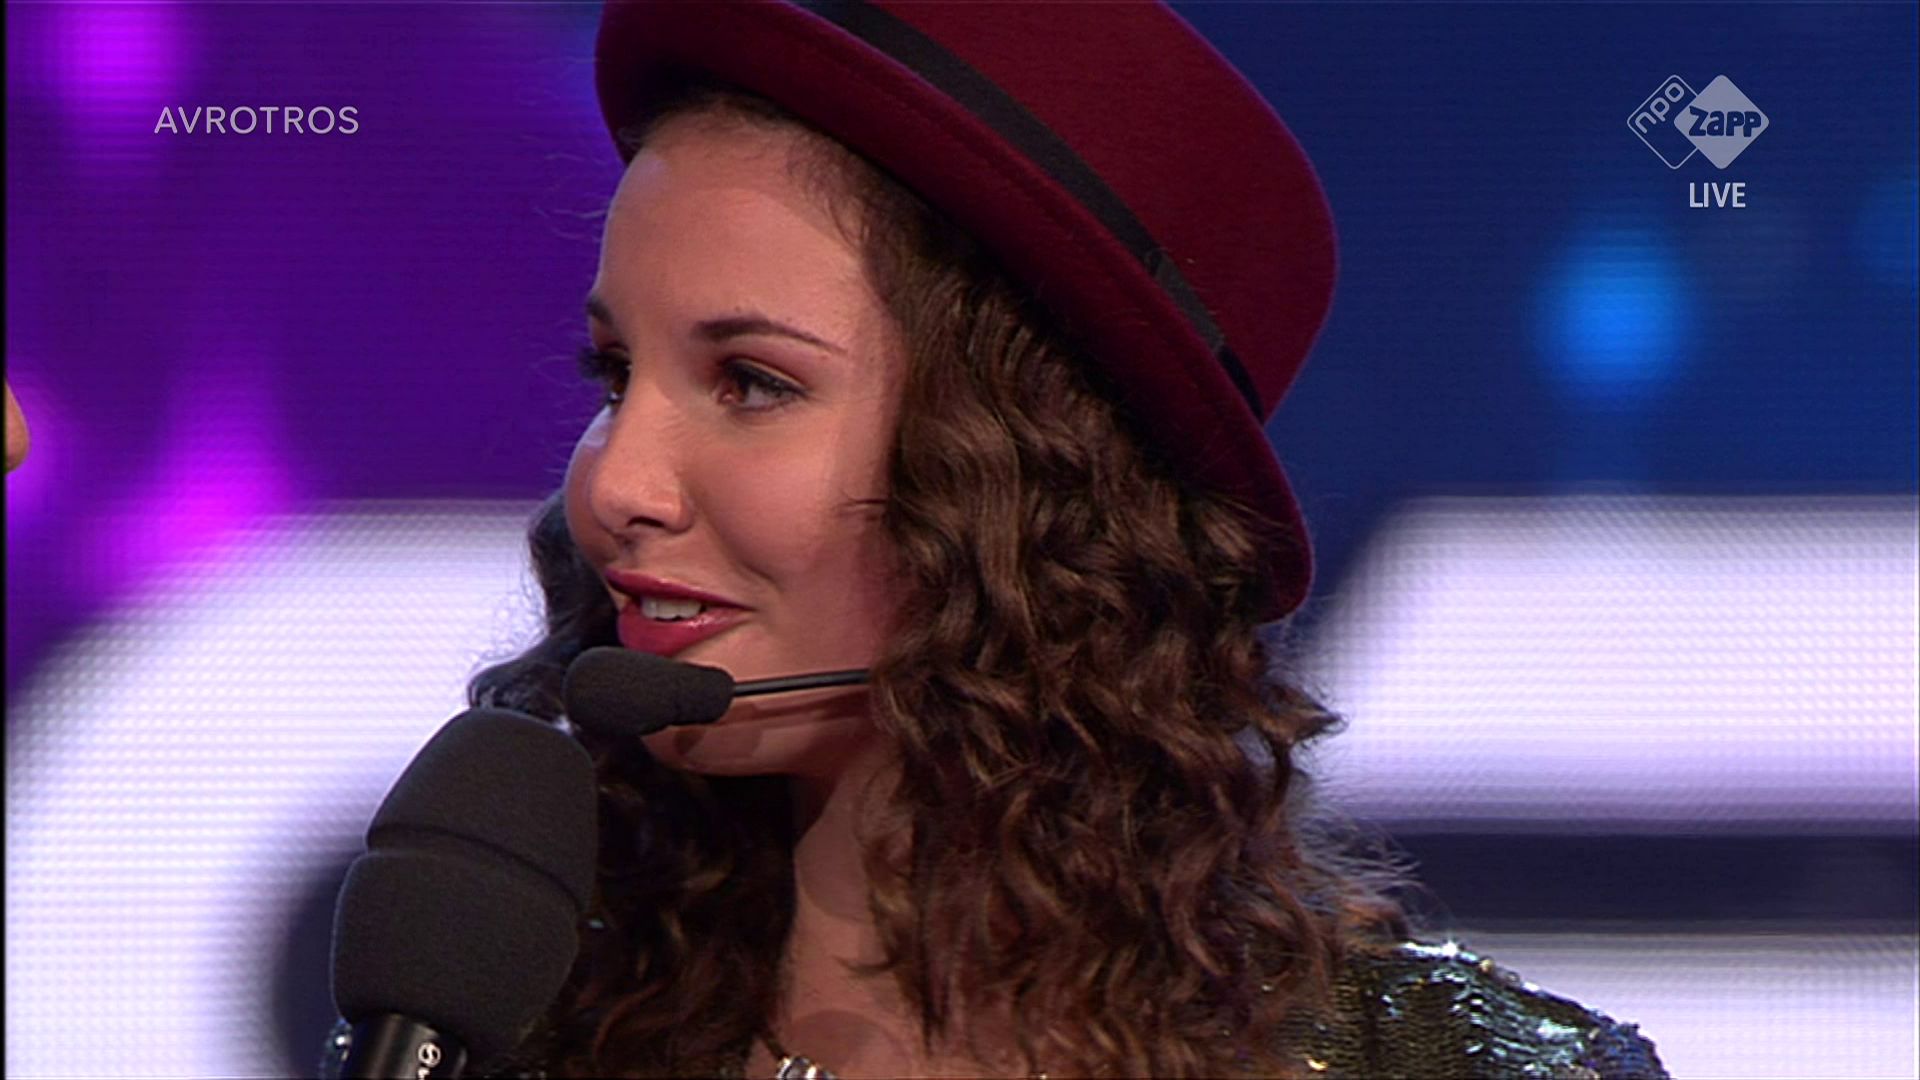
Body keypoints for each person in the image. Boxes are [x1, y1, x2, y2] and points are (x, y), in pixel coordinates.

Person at [330, 3, 1668, 1077]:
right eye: (615, 375)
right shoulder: (508, 1034)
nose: (616, 482)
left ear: (1038, 482)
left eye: (751, 383)